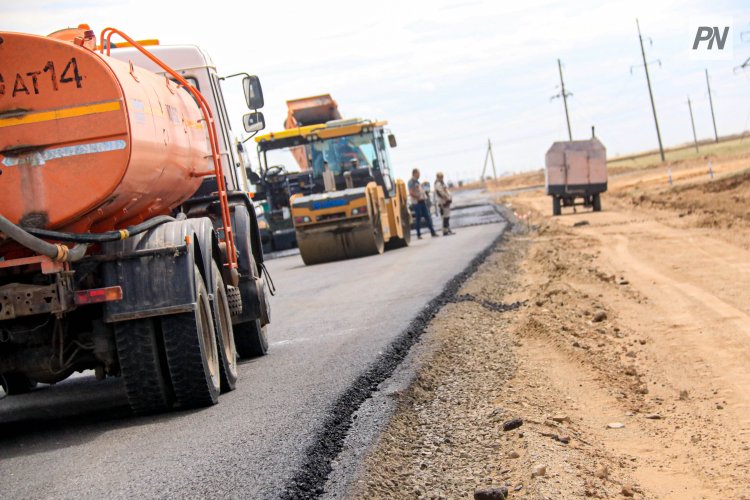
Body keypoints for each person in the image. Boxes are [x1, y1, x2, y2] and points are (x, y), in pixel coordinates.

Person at [408, 168, 438, 239]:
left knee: (427, 217)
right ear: (415, 173)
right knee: (418, 219)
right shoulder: (411, 182)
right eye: (418, 173)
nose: (419, 175)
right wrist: (418, 197)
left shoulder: (417, 182)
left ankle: (432, 232)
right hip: (417, 203)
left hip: (422, 202)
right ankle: (418, 234)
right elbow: (411, 192)